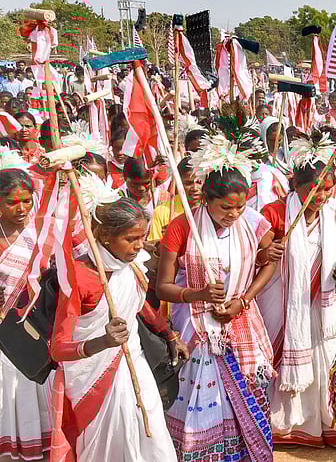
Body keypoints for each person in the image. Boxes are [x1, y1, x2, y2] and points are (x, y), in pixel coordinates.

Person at [156, 138, 280, 461]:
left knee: (244, 405)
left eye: (239, 206)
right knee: (200, 407)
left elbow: (269, 262)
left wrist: (243, 300)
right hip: (196, 332)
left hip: (240, 327)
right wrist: (198, 294)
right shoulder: (181, 227)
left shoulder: (250, 222)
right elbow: (162, 287)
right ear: (206, 199)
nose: (233, 214)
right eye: (225, 207)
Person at [49, 191, 189, 461]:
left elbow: (140, 306)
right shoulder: (79, 277)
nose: (139, 246)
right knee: (110, 437)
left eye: (142, 237)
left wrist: (169, 334)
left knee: (150, 424)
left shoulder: (132, 266)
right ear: (104, 237)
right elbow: (57, 349)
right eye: (131, 239)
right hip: (92, 376)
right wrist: (103, 342)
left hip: (132, 362)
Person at [258, 135, 336, 448]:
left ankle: (324, 424)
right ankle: (285, 426)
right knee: (278, 360)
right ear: (295, 185)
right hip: (282, 302)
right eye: (312, 188)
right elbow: (258, 256)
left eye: (327, 188)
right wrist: (268, 253)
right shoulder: (274, 213)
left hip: (322, 307)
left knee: (325, 359)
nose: (320, 195)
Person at [0, 166, 53, 461]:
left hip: (36, 332)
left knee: (36, 394)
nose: (20, 208)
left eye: (26, 201)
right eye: (11, 202)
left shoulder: (42, 232)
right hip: (4, 338)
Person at [147, 158, 203, 242]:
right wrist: (166, 240)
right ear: (178, 183)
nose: (195, 188)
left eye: (199, 182)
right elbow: (154, 249)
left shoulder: (212, 209)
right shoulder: (162, 211)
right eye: (188, 183)